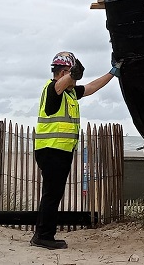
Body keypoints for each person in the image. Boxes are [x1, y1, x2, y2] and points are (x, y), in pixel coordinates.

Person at [31, 51, 121, 250]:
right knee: (52, 194)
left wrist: (113, 72)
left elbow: (91, 87)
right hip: (51, 150)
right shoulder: (52, 90)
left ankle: (42, 234)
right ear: (63, 72)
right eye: (70, 74)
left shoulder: (70, 92)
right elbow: (59, 84)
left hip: (61, 151)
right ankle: (43, 236)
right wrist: (72, 75)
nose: (74, 80)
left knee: (53, 193)